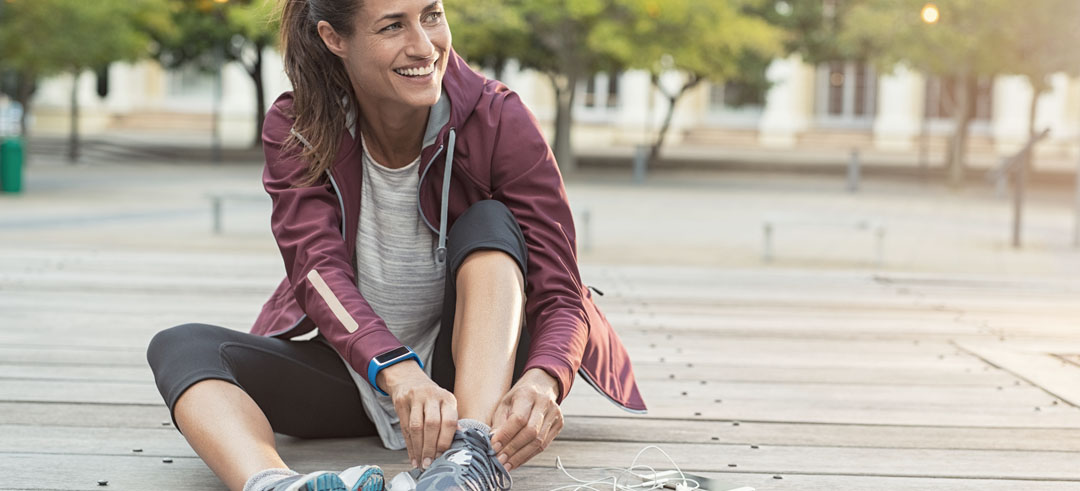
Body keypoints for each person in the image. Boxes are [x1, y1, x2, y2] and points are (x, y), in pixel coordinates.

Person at [146, 1, 646, 490]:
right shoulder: (299, 126)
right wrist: (395, 370)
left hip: (470, 382)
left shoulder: (498, 118)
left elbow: (561, 291)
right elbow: (316, 270)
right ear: (334, 39)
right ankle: (274, 484)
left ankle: (469, 460)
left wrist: (546, 376)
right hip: (358, 373)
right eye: (392, 26)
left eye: (432, 16)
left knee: (491, 223)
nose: (424, 46)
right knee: (181, 346)